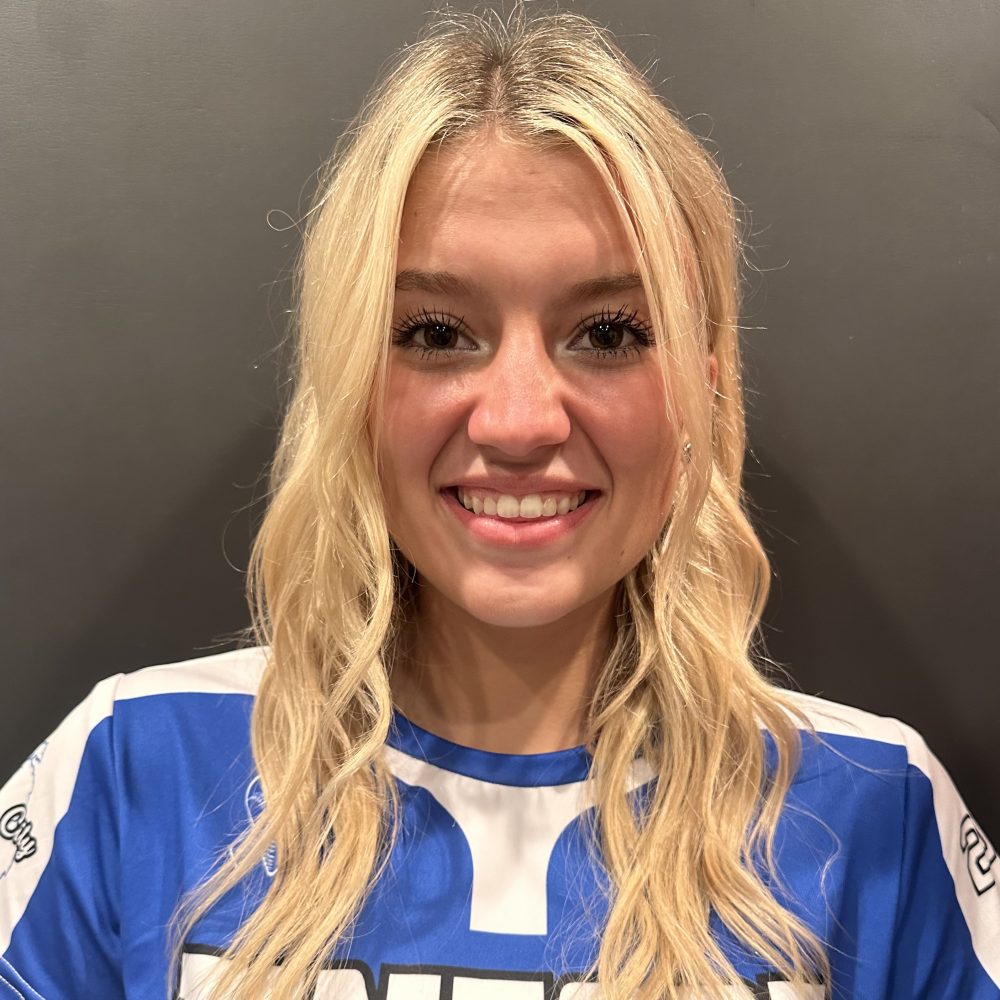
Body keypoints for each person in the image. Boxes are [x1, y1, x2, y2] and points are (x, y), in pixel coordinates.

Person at [1, 7, 997, 1000]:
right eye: (436, 333)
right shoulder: (131, 766)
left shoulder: (875, 806)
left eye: (607, 334)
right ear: (348, 378)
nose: (519, 422)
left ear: (703, 385)